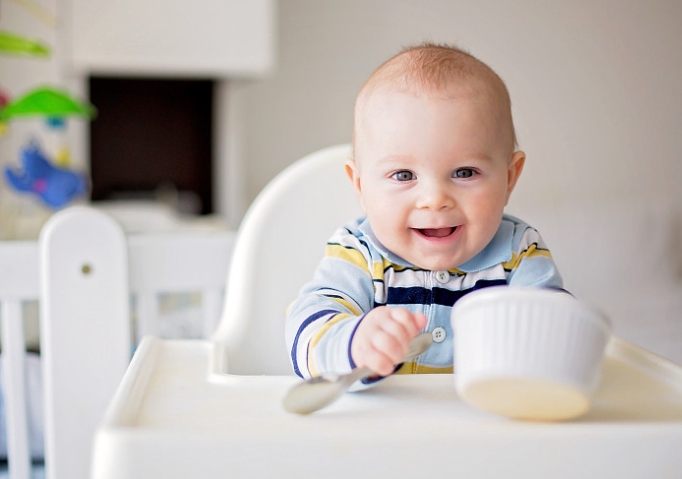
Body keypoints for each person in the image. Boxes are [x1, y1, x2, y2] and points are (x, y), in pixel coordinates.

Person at [285, 42, 563, 384]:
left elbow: (557, 333)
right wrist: (354, 341)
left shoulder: (519, 253)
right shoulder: (358, 253)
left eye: (464, 173)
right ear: (360, 186)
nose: (434, 200)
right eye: (404, 176)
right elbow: (306, 334)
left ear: (509, 178)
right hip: (383, 429)